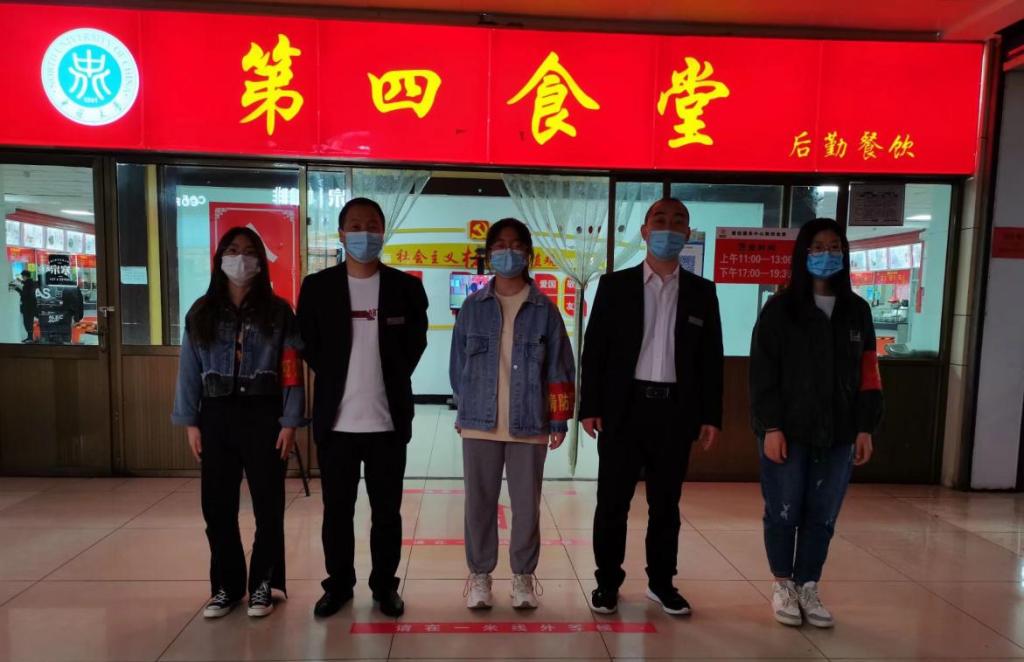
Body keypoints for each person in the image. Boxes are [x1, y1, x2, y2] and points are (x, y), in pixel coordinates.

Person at [579, 197, 723, 616]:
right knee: (612, 503)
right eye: (660, 220)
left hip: (675, 413)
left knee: (666, 506)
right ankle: (607, 582)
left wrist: (711, 415)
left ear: (687, 234)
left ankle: (661, 583)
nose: (668, 228)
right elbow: (595, 350)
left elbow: (711, 358)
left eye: (678, 221)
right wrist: (590, 405)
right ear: (644, 231)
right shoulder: (615, 286)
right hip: (623, 409)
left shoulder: (702, 293)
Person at [297, 197, 428, 619]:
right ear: (341, 234)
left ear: (383, 232)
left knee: (386, 513)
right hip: (337, 423)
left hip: (387, 422)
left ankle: (384, 587)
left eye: (372, 225)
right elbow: (308, 343)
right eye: (355, 226)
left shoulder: (406, 288)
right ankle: (338, 585)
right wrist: (337, 373)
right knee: (337, 512)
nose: (364, 233)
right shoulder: (318, 287)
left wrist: (389, 374)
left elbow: (416, 343)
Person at [749, 218, 883, 629]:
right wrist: (771, 426)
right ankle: (783, 584)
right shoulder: (780, 310)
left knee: (822, 514)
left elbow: (869, 374)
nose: (827, 254)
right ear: (803, 254)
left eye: (834, 246)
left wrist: (865, 427)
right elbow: (762, 374)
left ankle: (808, 584)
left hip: (839, 434)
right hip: (788, 431)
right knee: (784, 509)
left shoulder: (857, 311)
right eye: (818, 247)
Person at [172, 227, 305, 619]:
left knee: (268, 505)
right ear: (220, 260)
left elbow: (291, 370)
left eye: (249, 252)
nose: (240, 259)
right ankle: (227, 587)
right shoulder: (201, 312)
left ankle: (264, 584)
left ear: (260, 262)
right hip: (215, 416)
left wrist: (290, 420)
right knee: (217, 508)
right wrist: (190, 421)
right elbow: (188, 369)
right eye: (232, 250)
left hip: (264, 415)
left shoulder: (278, 311)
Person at [450, 218, 575, 611]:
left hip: (530, 422)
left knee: (526, 508)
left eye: (516, 244)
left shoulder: (545, 310)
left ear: (528, 253)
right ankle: (480, 577)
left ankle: (522, 577)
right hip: (479, 424)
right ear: (489, 253)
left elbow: (559, 367)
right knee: (479, 506)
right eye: (500, 244)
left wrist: (559, 419)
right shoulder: (472, 308)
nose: (508, 251)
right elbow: (458, 367)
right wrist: (465, 408)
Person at [11, 270, 37, 342]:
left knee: (27, 322)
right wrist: (21, 281)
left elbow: (24, 294)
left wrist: (16, 288)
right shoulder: (30, 282)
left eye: (22, 276)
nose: (22, 278)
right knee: (29, 322)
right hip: (31, 306)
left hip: (28, 306)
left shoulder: (28, 284)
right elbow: (26, 285)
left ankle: (30, 338)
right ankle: (30, 338)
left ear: (25, 276)